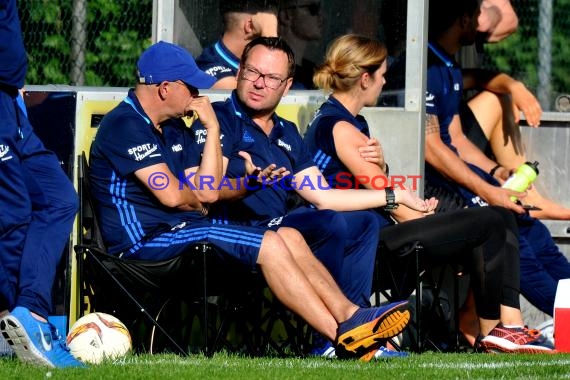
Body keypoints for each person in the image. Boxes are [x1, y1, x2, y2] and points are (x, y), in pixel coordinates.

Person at [88, 40, 413, 362]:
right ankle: (343, 336)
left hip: (184, 230)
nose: (197, 95)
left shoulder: (173, 127)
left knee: (290, 236)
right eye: (190, 87)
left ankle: (351, 316)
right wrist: (197, 195)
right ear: (165, 88)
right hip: (147, 244)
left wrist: (211, 131)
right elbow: (175, 195)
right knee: (273, 241)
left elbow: (206, 191)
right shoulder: (125, 124)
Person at [303, 33, 553, 354]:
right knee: (492, 219)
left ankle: (502, 329)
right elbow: (393, 203)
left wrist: (385, 167)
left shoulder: (348, 121)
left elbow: (377, 188)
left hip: (374, 232)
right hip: (363, 244)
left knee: (495, 218)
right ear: (364, 79)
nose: (384, 81)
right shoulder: (341, 128)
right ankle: (500, 329)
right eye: (381, 75)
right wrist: (436, 224)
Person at [190, 36, 433, 359]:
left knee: (361, 223)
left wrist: (392, 194)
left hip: (281, 228)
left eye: (272, 78)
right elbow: (204, 187)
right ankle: (331, 338)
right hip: (236, 231)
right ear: (239, 72)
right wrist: (243, 180)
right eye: (252, 72)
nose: (259, 84)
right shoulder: (220, 118)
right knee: (327, 222)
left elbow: (324, 196)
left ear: (287, 85)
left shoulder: (287, 131)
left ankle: (360, 323)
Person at [423, 0, 570, 318]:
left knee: (532, 228)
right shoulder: (425, 69)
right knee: (506, 227)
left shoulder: (446, 65)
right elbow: (431, 149)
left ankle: (564, 306)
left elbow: (457, 140)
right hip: (435, 193)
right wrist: (486, 190)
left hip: (462, 183)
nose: (480, 23)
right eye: (476, 15)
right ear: (463, 19)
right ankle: (538, 320)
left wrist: (495, 172)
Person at [0, 0, 83, 368]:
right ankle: (20, 322)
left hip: (11, 103)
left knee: (59, 198)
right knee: (14, 213)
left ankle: (27, 310)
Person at [196, 0, 278, 90]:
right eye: (274, 25)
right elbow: (266, 93)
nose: (277, 33)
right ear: (250, 26)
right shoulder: (213, 70)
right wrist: (269, 31)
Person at [278, 0, 324, 89]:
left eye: (321, 8)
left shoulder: (313, 71)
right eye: (313, 9)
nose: (321, 16)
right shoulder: (274, 69)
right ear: (286, 16)